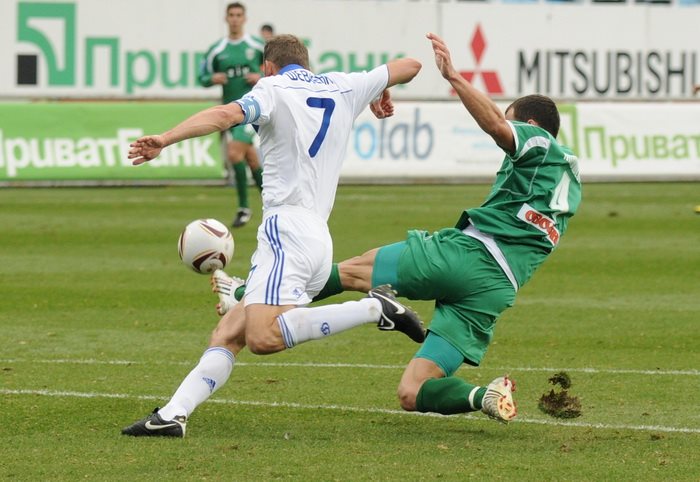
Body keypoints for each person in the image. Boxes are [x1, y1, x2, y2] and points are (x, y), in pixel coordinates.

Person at [213, 32, 582, 424]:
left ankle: (245, 295)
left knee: (352, 271)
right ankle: (484, 395)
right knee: (413, 391)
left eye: (513, 119)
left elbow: (494, 124)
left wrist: (454, 77)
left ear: (530, 125)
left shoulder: (539, 142)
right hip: (495, 291)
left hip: (466, 257)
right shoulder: (570, 183)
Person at [121, 34, 423, 438]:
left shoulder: (272, 88)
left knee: (262, 336)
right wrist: (379, 89)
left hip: (287, 231)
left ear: (267, 66)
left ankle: (374, 308)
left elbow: (225, 115)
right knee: (230, 332)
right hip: (317, 235)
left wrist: (165, 138)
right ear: (306, 62)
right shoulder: (345, 85)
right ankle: (173, 414)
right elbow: (411, 65)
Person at [199, 2, 265, 228]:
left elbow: (276, 71)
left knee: (234, 153)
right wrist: (212, 79)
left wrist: (260, 77)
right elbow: (201, 76)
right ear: (226, 19)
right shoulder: (217, 49)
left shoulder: (256, 46)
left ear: (244, 18)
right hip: (230, 112)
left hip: (253, 110)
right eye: (232, 15)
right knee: (251, 159)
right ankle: (271, 203)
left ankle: (244, 208)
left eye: (238, 15)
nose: (235, 19)